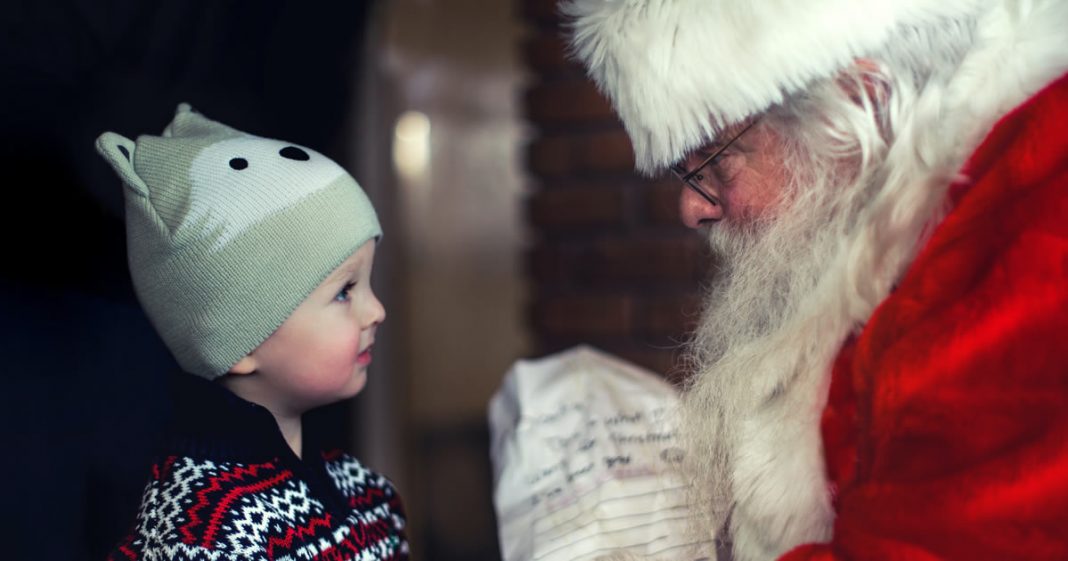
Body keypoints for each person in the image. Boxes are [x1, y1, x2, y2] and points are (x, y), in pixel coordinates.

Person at [561, 0, 1068, 559]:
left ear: (861, 104)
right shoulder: (914, 226)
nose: (692, 208)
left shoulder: (1029, 234)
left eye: (713, 163)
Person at [95, 104, 408, 560]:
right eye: (345, 291)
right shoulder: (199, 538)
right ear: (237, 341)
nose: (376, 310)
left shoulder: (368, 495)